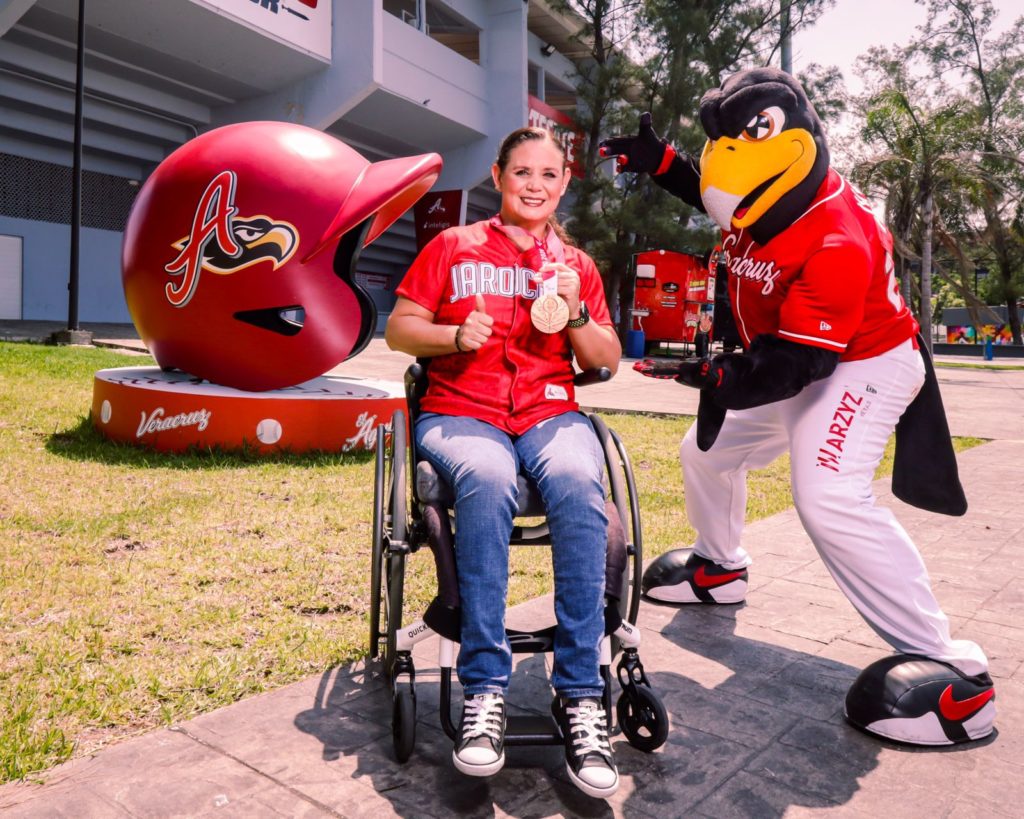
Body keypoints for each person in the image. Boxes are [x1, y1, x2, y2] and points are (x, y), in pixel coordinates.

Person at [601, 67, 994, 746]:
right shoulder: (767, 190)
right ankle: (719, 567)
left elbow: (799, 365)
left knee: (827, 494)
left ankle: (954, 674)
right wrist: (663, 162)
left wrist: (718, 375)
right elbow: (712, 190)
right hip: (787, 355)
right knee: (705, 453)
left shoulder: (838, 233)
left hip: (861, 362)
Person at [385, 127, 622, 797]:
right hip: (463, 409)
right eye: (522, 171)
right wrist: (453, 334)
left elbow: (605, 358)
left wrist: (576, 312)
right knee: (488, 480)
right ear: (498, 176)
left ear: (564, 183)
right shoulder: (452, 247)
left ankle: (581, 695)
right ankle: (485, 689)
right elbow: (399, 328)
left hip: (549, 412)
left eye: (549, 174)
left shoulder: (575, 265)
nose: (535, 185)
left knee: (578, 479)